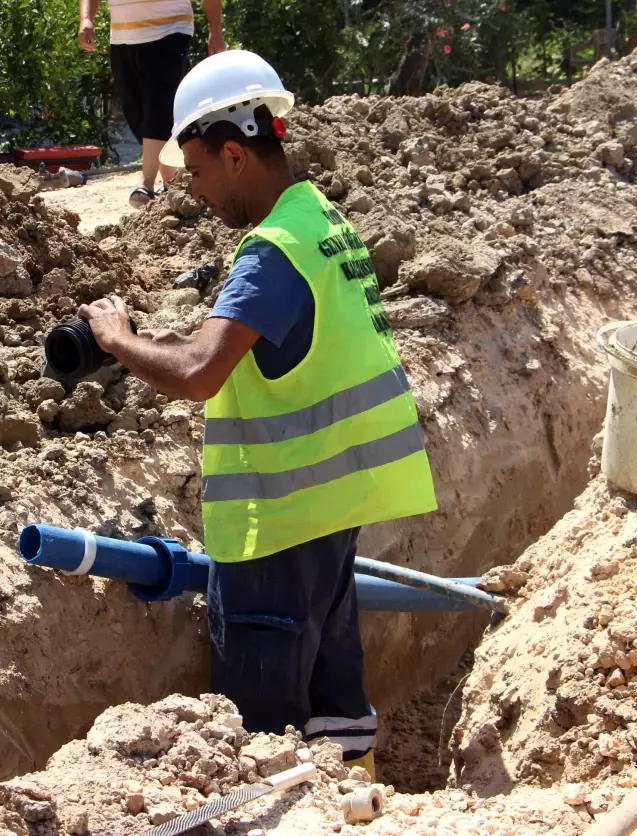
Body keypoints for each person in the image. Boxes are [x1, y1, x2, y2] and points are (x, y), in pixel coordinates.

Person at [76, 50, 438, 779]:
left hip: (275, 531)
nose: (199, 194)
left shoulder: (271, 253)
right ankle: (360, 816)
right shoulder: (321, 218)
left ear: (235, 153)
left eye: (201, 172)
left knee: (260, 742)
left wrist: (117, 339)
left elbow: (200, 372)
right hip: (331, 517)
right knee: (336, 704)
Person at [78, 0, 224, 209]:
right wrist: (86, 18)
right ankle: (173, 184)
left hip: (171, 30)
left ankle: (146, 185)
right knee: (139, 116)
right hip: (122, 36)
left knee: (159, 106)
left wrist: (215, 30)